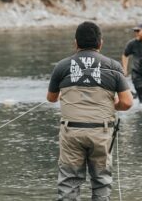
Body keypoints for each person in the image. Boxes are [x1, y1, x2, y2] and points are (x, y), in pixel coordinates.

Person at [47, 21, 133, 201]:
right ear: (100, 43)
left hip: (72, 132)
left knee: (69, 184)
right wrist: (113, 104)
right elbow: (126, 103)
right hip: (101, 132)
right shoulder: (113, 66)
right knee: (101, 182)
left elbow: (51, 98)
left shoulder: (62, 66)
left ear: (76, 43)